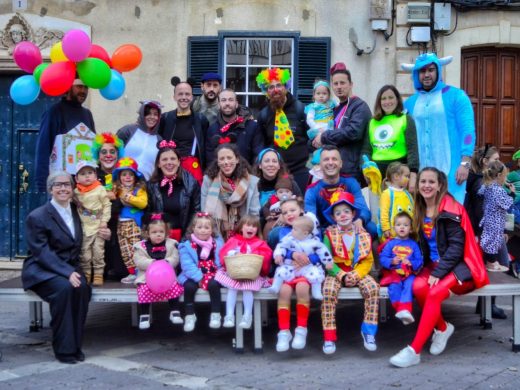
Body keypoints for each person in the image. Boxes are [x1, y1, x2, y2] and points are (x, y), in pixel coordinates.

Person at [389, 167, 488, 368]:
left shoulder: (450, 209)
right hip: (435, 266)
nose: (426, 185)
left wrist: (437, 273)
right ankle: (442, 328)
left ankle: (414, 351)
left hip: (460, 266)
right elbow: (422, 245)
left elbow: (457, 249)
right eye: (423, 181)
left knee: (434, 293)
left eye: (431, 182)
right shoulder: (419, 207)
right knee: (417, 287)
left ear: (440, 185)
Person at [22, 171, 91, 364]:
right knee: (64, 290)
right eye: (57, 185)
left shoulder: (76, 211)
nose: (62, 188)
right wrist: (68, 273)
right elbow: (42, 253)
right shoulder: (37, 216)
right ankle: (64, 350)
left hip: (68, 268)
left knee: (83, 289)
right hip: (42, 269)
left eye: (67, 185)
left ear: (72, 188)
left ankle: (76, 346)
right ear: (50, 189)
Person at [401, 53, 476, 203]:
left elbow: (467, 130)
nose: (426, 75)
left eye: (430, 70)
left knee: (450, 216)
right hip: (420, 174)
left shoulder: (457, 96)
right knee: (421, 218)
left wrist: (465, 163)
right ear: (416, 74)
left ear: (438, 71)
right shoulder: (409, 103)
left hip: (451, 171)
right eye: (422, 71)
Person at [321, 191, 379, 354]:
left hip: (357, 271)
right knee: (328, 291)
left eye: (346, 211)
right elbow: (326, 259)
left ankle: (368, 332)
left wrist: (356, 275)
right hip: (336, 271)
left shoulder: (364, 234)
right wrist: (342, 275)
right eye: (338, 213)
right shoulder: (329, 234)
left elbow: (367, 260)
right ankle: (329, 336)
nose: (343, 215)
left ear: (353, 213)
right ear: (333, 217)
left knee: (373, 289)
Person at [267, 198, 318, 352]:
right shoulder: (282, 232)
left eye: (292, 210)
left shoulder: (311, 229)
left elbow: (320, 251)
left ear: (301, 210)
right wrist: (291, 254)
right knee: (284, 291)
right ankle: (284, 331)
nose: (289, 214)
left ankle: (301, 329)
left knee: (302, 288)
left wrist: (307, 259)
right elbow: (281, 250)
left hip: (306, 270)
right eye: (285, 212)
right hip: (288, 270)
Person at [465, 145, 507, 319]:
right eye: (495, 159)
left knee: (493, 266)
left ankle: (485, 306)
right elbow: (477, 210)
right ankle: (488, 306)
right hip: (486, 231)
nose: (499, 162)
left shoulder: (483, 182)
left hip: (487, 230)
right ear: (485, 162)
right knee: (496, 265)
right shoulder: (482, 183)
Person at [311, 62, 372, 183]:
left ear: (351, 85)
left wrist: (323, 136)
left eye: (342, 83)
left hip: (350, 170)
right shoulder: (334, 108)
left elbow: (353, 132)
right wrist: (313, 140)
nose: (339, 87)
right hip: (332, 169)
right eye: (335, 83)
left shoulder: (360, 106)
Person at [35, 79, 96, 192]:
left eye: (86, 87)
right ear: (68, 88)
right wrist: (43, 183)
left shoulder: (87, 114)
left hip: (86, 185)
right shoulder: (54, 112)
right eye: (79, 86)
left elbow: (93, 146)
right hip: (62, 185)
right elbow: (43, 147)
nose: (83, 91)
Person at [256, 68, 309, 193]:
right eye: (270, 87)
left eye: (279, 85)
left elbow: (312, 138)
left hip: (301, 171)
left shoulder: (301, 109)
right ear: (266, 91)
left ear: (286, 87)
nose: (275, 90)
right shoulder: (263, 115)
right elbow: (262, 146)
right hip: (276, 173)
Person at [216, 215, 272, 329]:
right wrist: (233, 254)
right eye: (248, 225)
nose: (251, 228)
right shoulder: (233, 240)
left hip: (252, 275)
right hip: (234, 273)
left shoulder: (260, 243)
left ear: (257, 230)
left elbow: (266, 256)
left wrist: (255, 255)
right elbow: (224, 254)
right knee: (232, 288)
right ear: (241, 227)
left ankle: (247, 316)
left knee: (247, 289)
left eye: (254, 226)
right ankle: (229, 315)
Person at [304, 145, 375, 235]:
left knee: (372, 228)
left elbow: (363, 209)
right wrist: (324, 231)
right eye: (326, 159)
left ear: (341, 163)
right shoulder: (312, 190)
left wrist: (360, 219)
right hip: (326, 230)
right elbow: (310, 219)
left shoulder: (351, 183)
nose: (330, 162)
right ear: (320, 165)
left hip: (351, 223)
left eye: (334, 159)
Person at [133, 213, 184, 330]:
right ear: (147, 233)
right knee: (144, 290)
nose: (158, 235)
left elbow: (175, 258)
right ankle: (144, 315)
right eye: (154, 232)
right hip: (147, 277)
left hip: (167, 276)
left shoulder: (171, 244)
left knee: (174, 287)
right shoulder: (141, 246)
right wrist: (152, 264)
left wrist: (166, 262)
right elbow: (139, 260)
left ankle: (174, 311)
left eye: (161, 232)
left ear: (166, 232)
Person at [201, 143, 260, 239]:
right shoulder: (208, 180)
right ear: (217, 162)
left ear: (237, 159)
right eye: (222, 159)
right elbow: (205, 213)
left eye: (229, 158)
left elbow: (254, 214)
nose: (226, 162)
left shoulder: (251, 181)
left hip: (244, 232)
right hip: (215, 233)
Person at [361, 84, 419, 181]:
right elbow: (366, 150)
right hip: (376, 175)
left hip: (400, 174)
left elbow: (413, 150)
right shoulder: (372, 122)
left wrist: (413, 174)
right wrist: (365, 168)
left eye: (391, 98)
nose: (387, 101)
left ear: (397, 99)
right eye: (383, 98)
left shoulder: (406, 119)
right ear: (379, 102)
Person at [178, 212, 224, 332]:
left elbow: (221, 262)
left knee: (214, 284)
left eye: (206, 227)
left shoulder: (217, 244)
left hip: (213, 272)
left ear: (212, 229)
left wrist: (220, 273)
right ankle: (189, 315)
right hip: (193, 273)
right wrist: (199, 278)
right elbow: (187, 265)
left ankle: (216, 314)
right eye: (199, 227)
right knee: (189, 287)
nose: (203, 230)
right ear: (193, 228)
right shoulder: (186, 246)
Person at [147, 140, 201, 241]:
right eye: (164, 159)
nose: (169, 163)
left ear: (179, 162)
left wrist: (186, 238)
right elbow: (147, 215)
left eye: (173, 159)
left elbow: (196, 212)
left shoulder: (191, 183)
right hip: (159, 238)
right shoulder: (151, 186)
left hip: (186, 238)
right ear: (158, 163)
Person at [269, 216, 333, 300]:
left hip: (308, 266)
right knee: (281, 271)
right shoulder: (289, 238)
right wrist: (278, 255)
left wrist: (328, 262)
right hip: (291, 265)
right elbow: (281, 246)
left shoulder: (314, 242)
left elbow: (323, 251)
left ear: (305, 233)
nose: (292, 231)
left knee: (316, 274)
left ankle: (316, 291)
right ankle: (275, 286)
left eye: (295, 229)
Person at [159, 77, 208, 184]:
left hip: (194, 169)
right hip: (170, 168)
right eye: (180, 94)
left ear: (192, 96)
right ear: (174, 97)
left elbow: (205, 147)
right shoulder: (165, 118)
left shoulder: (201, 120)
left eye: (187, 94)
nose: (184, 97)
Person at [91, 133, 126, 279]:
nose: (108, 155)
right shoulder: (90, 176)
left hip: (120, 228)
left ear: (118, 155)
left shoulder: (125, 175)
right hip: (97, 226)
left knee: (121, 272)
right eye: (104, 152)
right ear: (98, 155)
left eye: (112, 151)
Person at [379, 212, 423, 325]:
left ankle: (404, 310)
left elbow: (419, 260)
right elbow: (382, 257)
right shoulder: (390, 244)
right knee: (394, 287)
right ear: (394, 228)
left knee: (409, 285)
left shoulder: (413, 244)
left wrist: (411, 263)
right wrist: (391, 261)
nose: (402, 227)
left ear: (411, 229)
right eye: (398, 225)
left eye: (405, 225)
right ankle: (401, 309)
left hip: (409, 274)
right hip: (394, 274)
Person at [74, 161, 111, 286]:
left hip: (98, 227)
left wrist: (104, 221)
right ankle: (86, 274)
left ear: (95, 175)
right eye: (83, 174)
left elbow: (107, 205)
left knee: (98, 252)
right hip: (85, 228)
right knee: (84, 253)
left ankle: (99, 274)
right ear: (77, 178)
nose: (87, 176)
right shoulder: (76, 192)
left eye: (90, 173)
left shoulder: (100, 189)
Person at [112, 157, 148, 283]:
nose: (127, 177)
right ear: (119, 177)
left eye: (130, 174)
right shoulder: (117, 189)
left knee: (135, 248)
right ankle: (132, 273)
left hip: (134, 223)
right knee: (125, 249)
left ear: (135, 177)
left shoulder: (139, 189)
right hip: (121, 224)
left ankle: (140, 272)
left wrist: (129, 198)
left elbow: (143, 203)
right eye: (124, 174)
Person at [205, 88, 264, 165]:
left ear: (236, 104)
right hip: (221, 175)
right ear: (219, 105)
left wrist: (250, 175)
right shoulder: (212, 130)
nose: (227, 103)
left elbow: (257, 156)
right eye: (223, 100)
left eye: (230, 100)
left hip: (247, 175)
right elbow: (211, 160)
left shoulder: (252, 127)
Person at [479, 161, 514, 272]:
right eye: (504, 176)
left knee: (489, 240)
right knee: (493, 242)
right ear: (499, 176)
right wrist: (512, 193)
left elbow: (480, 192)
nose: (505, 178)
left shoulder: (488, 186)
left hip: (488, 217)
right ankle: (491, 264)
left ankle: (492, 262)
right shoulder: (498, 190)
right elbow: (507, 204)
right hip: (496, 220)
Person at [117, 100, 163, 180]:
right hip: (123, 183)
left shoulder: (159, 140)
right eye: (148, 113)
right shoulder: (128, 130)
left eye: (155, 114)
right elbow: (112, 150)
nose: (152, 117)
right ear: (142, 114)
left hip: (145, 187)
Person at [379, 162, 413, 242]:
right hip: (392, 237)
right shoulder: (387, 194)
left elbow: (413, 210)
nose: (408, 179)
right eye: (406, 176)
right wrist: (385, 228)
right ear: (396, 176)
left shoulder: (407, 193)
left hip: (408, 236)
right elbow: (384, 212)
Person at [305, 80, 336, 166]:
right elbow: (309, 119)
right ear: (314, 95)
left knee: (327, 146)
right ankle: (316, 157)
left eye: (324, 93)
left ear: (329, 95)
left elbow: (339, 106)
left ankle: (322, 157)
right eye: (318, 94)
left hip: (329, 128)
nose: (321, 96)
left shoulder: (331, 104)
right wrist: (317, 128)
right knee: (319, 143)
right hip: (317, 128)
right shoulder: (313, 107)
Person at [261, 174, 295, 238]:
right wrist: (268, 215)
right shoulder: (272, 201)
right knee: (268, 227)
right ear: (276, 194)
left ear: (291, 193)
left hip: (289, 222)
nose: (284, 194)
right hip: (273, 220)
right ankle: (266, 242)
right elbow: (265, 208)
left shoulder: (294, 201)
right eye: (281, 192)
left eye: (287, 192)